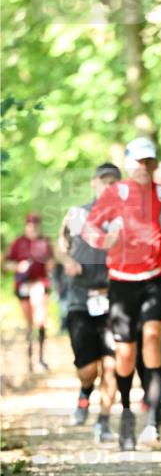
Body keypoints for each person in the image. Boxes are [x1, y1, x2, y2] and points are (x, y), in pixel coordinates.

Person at [82, 137, 161, 451]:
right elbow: (89, 228)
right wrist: (104, 240)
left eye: (150, 161)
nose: (144, 166)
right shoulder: (115, 192)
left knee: (151, 337)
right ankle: (128, 413)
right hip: (121, 282)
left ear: (155, 164)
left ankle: (153, 423)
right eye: (139, 161)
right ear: (129, 163)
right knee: (126, 355)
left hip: (155, 279)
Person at [56, 162, 121, 441]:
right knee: (87, 368)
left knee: (111, 365)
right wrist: (68, 259)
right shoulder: (77, 214)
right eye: (103, 181)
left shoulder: (125, 219)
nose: (108, 187)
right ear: (94, 183)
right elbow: (60, 245)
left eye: (113, 182)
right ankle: (85, 393)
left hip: (114, 299)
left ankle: (103, 421)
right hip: (80, 300)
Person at [5, 213, 54, 372]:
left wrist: (50, 266)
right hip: (23, 285)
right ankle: (29, 359)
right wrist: (18, 267)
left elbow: (51, 263)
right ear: (26, 225)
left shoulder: (45, 242)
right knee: (29, 323)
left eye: (36, 224)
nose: (33, 227)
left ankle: (40, 358)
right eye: (30, 224)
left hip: (39, 284)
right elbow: (6, 263)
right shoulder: (18, 243)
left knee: (40, 319)